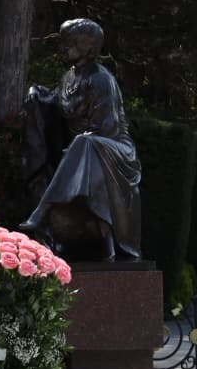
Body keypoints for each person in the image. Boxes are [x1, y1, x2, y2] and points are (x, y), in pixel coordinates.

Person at [18, 18, 142, 261]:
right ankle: (50, 214)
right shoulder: (69, 78)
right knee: (80, 145)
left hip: (114, 148)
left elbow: (107, 128)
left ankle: (43, 210)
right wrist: (39, 97)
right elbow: (60, 105)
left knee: (84, 143)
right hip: (82, 150)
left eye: (69, 43)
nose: (63, 48)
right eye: (62, 42)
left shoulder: (101, 80)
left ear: (87, 47)